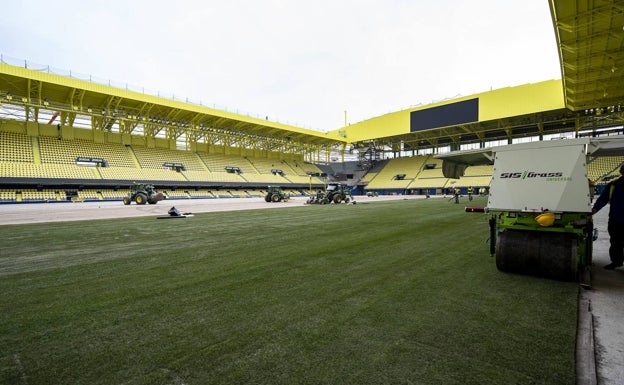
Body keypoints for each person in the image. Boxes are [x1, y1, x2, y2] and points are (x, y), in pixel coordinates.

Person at [592, 164, 624, 269]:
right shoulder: (613, 185)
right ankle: (616, 261)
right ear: (621, 172)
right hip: (616, 219)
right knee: (615, 242)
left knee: (616, 242)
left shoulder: (614, 185)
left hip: (615, 219)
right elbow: (603, 199)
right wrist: (594, 210)